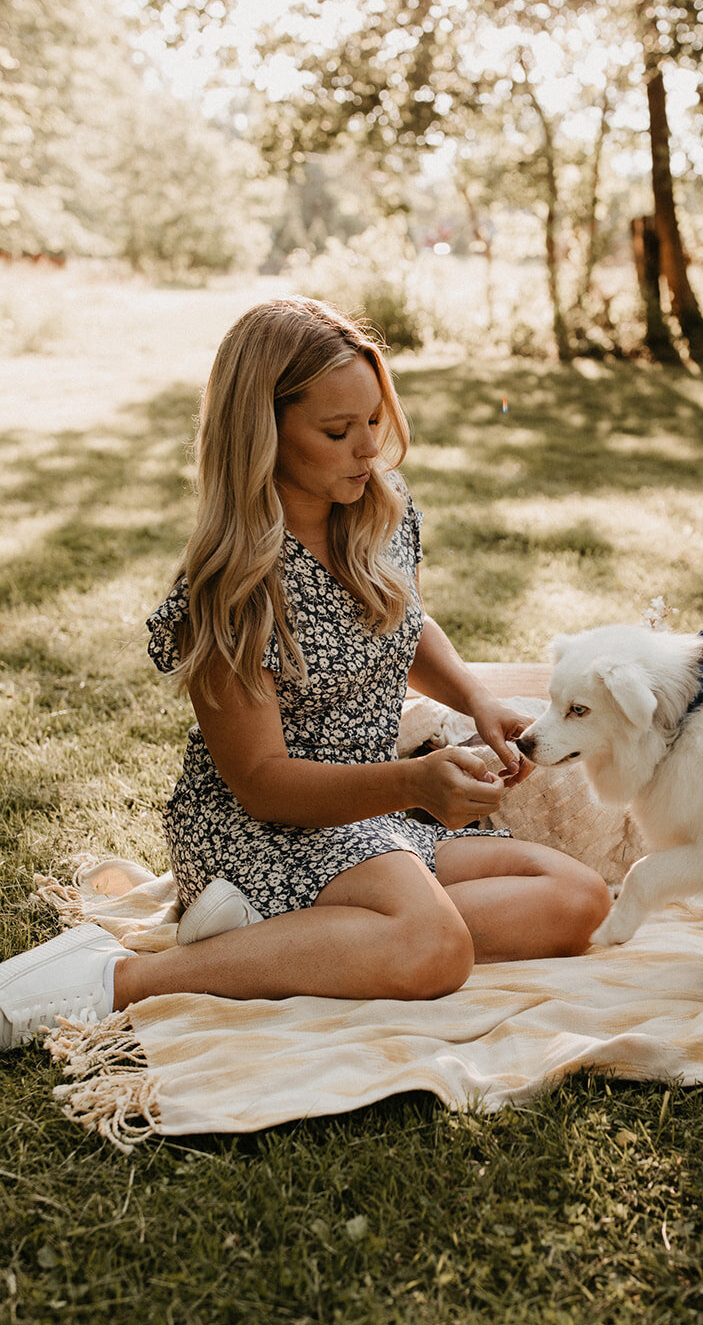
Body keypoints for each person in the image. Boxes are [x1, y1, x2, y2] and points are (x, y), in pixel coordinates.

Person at [0, 296, 610, 1049]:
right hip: (261, 828)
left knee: (577, 898)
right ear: (265, 433)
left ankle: (300, 934)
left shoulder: (379, 512)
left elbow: (406, 624)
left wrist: (480, 701)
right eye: (336, 431)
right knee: (435, 950)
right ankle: (117, 980)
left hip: (370, 816)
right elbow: (260, 778)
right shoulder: (230, 586)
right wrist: (415, 784)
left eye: (373, 422)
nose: (367, 450)